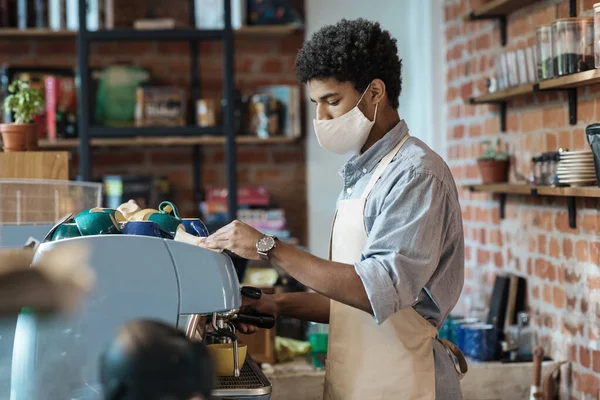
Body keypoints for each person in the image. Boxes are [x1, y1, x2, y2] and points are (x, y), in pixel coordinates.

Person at [197, 18, 466, 400]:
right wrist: (280, 304)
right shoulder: (364, 173)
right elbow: (354, 301)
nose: (320, 118)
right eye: (315, 104)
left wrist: (267, 247)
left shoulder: (416, 174)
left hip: (408, 382)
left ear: (375, 92)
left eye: (332, 101)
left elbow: (378, 290)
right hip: (356, 381)